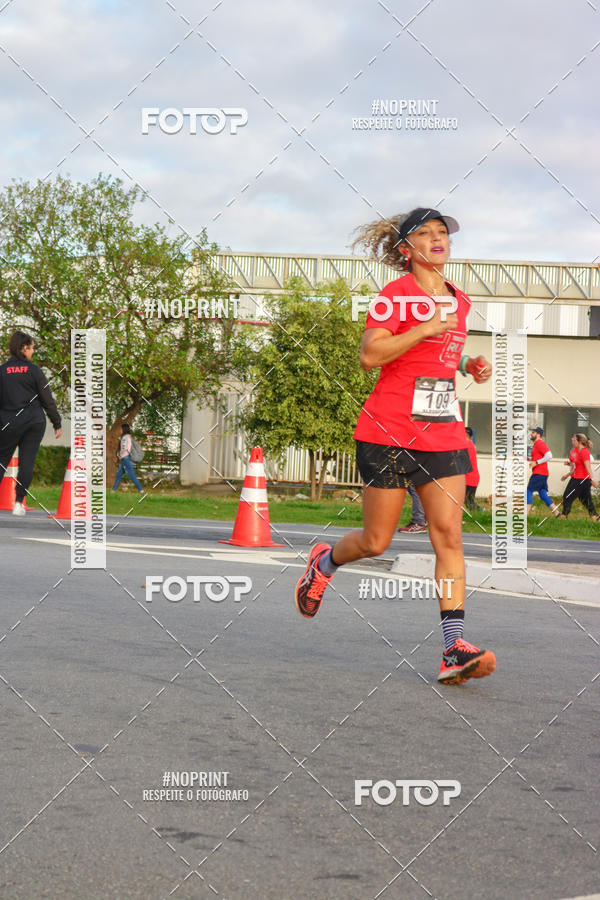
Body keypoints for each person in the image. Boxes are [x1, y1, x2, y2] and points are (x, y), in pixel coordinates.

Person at [295, 207, 496, 685]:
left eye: (442, 232)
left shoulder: (458, 299)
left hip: (442, 429)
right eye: (424, 233)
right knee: (375, 541)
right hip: (388, 429)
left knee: (448, 534)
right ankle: (324, 561)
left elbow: (440, 354)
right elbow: (370, 354)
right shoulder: (395, 295)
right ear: (406, 250)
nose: (437, 239)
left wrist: (467, 362)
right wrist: (425, 327)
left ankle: (453, 648)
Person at [0, 331, 62, 516]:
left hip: (9, 420)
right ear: (24, 348)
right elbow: (46, 399)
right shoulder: (35, 371)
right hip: (34, 421)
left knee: (2, 460)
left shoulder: (2, 371)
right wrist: (56, 421)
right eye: (32, 347)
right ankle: (19, 503)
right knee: (27, 462)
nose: (33, 351)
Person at [559, 433, 598, 520]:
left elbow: (588, 467)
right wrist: (567, 475)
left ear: (579, 442)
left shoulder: (584, 452)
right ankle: (595, 516)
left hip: (582, 480)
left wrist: (592, 480)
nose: (572, 439)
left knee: (568, 495)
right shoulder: (574, 451)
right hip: (575, 478)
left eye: (574, 439)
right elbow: (575, 465)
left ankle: (564, 515)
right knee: (585, 499)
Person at [526, 426, 560, 517]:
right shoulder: (536, 444)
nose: (531, 434)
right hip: (542, 473)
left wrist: (536, 463)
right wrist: (529, 459)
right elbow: (538, 457)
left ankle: (525, 514)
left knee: (529, 491)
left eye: (533, 432)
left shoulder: (540, 443)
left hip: (539, 473)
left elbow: (549, 456)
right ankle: (557, 513)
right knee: (543, 494)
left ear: (538, 434)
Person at [111, 423, 143, 493]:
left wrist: (119, 455)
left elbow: (125, 449)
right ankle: (113, 490)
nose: (120, 430)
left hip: (125, 458)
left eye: (120, 429)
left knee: (131, 475)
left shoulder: (125, 438)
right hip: (125, 459)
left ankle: (141, 490)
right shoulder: (127, 437)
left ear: (123, 429)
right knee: (119, 475)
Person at [464, 426, 480, 511]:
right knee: (469, 500)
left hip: (470, 477)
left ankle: (479, 512)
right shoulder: (471, 444)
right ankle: (479, 511)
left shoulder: (466, 445)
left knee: (469, 501)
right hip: (472, 476)